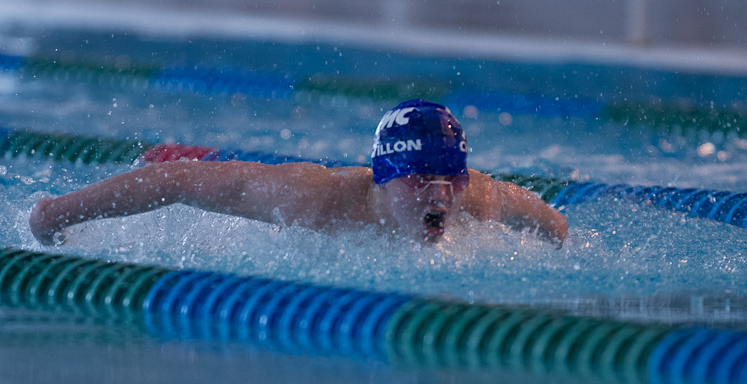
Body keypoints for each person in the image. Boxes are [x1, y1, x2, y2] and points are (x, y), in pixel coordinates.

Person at [29, 99, 568, 247]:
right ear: (382, 176)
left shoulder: (477, 198)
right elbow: (178, 183)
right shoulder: (314, 200)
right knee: (189, 169)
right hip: (201, 166)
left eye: (451, 177)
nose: (440, 194)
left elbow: (556, 227)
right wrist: (53, 214)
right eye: (420, 177)